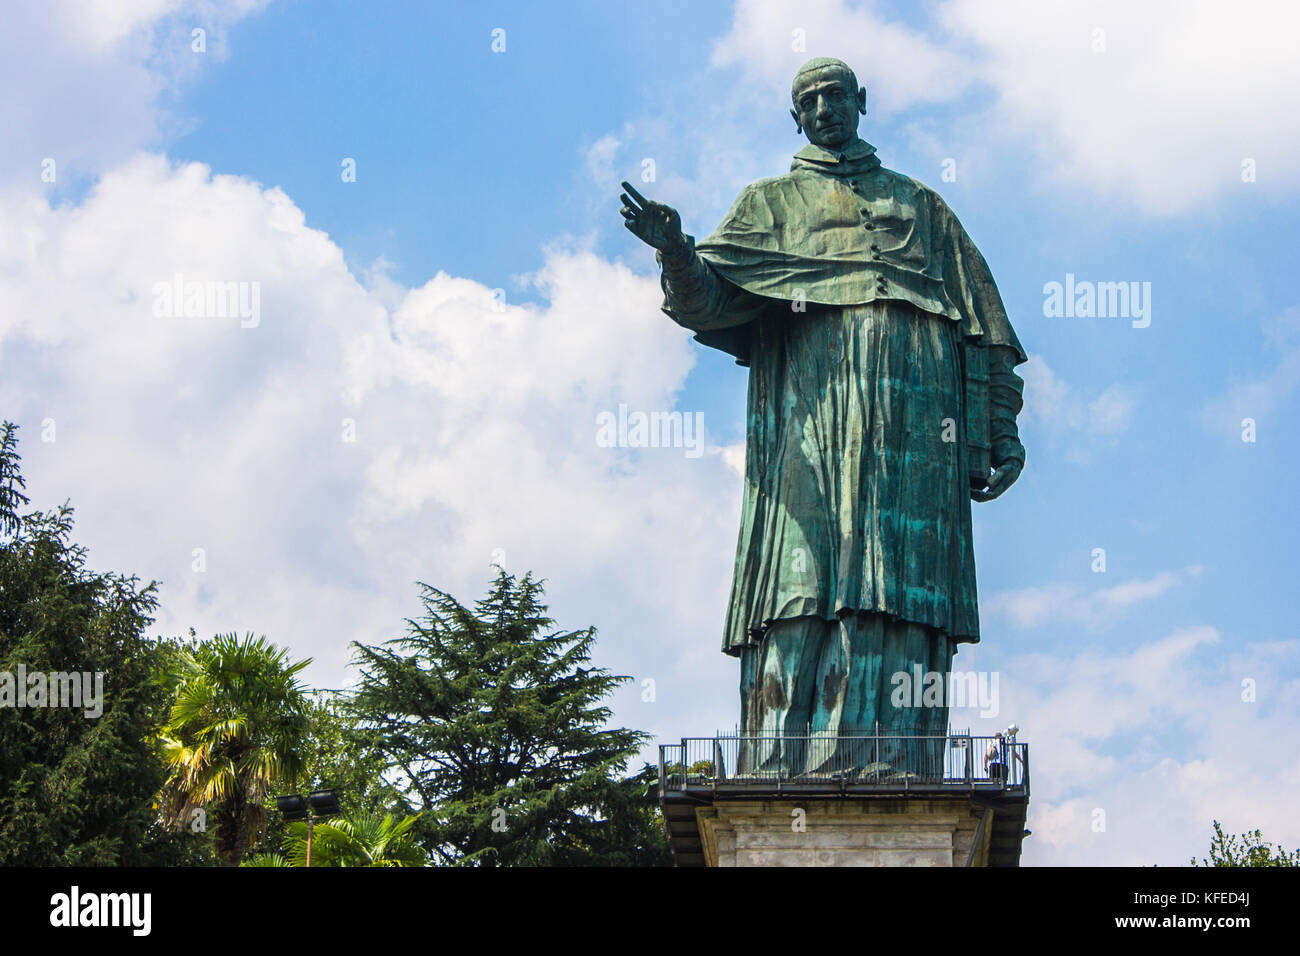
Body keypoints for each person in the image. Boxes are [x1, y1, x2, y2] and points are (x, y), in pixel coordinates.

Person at [620, 57, 1027, 772]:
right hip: (810, 425)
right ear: (796, 118)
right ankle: (786, 756)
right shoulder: (769, 205)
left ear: (861, 102)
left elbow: (985, 334)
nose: (825, 109)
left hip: (916, 437)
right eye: (810, 101)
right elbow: (708, 301)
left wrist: (998, 431)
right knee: (801, 580)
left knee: (899, 584)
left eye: (836, 95)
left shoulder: (923, 209)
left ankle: (894, 754)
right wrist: (678, 252)